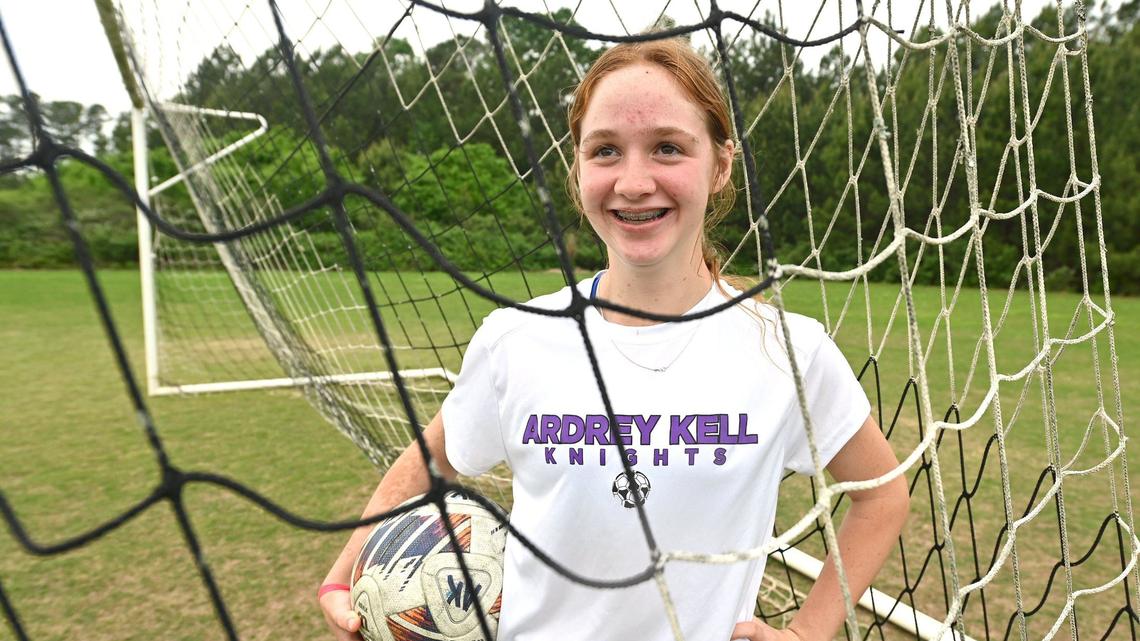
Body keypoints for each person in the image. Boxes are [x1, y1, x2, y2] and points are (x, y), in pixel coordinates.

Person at [319, 36, 909, 641]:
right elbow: (431, 457)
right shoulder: (516, 338)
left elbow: (883, 497)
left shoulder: (786, 351)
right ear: (577, 169)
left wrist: (805, 634)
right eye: (605, 151)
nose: (633, 182)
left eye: (667, 148)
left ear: (722, 164)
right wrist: (343, 576)